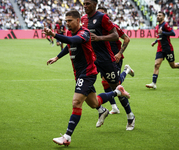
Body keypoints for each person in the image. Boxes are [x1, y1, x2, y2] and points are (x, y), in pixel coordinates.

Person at [44, 10, 130, 146]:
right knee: (94, 103)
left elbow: (73, 40)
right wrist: (57, 57)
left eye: (70, 21)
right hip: (78, 73)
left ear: (78, 20)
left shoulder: (84, 33)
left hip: (88, 72)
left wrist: (54, 35)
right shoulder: (69, 33)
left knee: (76, 102)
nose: (67, 24)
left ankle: (67, 137)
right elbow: (69, 45)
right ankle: (117, 92)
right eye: (66, 21)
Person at [81, 0, 135, 130]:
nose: (85, 6)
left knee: (116, 86)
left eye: (88, 3)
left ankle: (130, 115)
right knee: (84, 85)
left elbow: (121, 37)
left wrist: (119, 53)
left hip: (108, 59)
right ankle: (102, 109)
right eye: (84, 3)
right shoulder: (84, 19)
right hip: (92, 60)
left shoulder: (108, 22)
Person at [97, 7, 134, 114]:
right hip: (104, 59)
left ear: (106, 15)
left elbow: (127, 38)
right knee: (105, 82)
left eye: (102, 14)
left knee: (114, 83)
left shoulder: (113, 27)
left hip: (115, 58)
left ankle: (126, 70)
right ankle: (114, 107)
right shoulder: (96, 28)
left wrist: (119, 53)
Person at [146, 11, 179, 89]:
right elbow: (160, 36)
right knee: (156, 65)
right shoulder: (157, 26)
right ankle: (154, 83)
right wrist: (155, 41)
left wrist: (163, 32)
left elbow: (173, 33)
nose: (158, 16)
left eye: (160, 15)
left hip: (168, 49)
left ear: (163, 17)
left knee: (173, 65)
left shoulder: (165, 25)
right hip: (160, 49)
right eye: (157, 15)